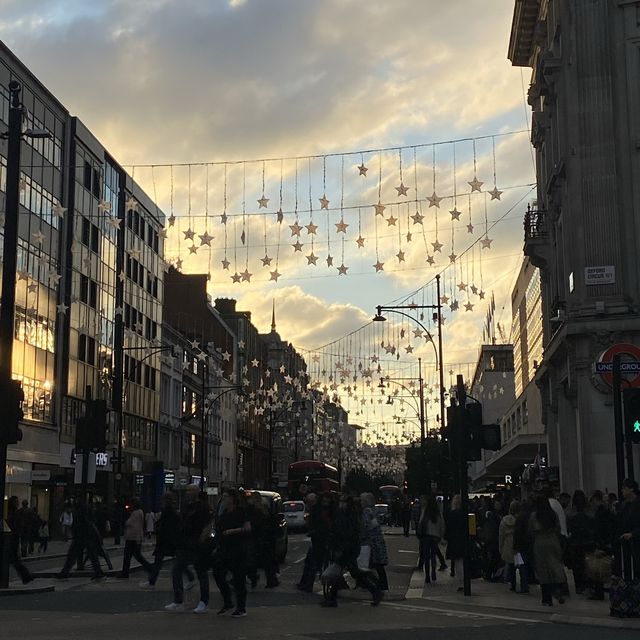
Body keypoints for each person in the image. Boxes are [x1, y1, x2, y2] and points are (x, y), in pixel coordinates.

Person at [322, 494, 382, 608]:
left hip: (348, 549)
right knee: (353, 573)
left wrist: (340, 548)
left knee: (342, 572)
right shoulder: (344, 515)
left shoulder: (349, 516)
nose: (341, 504)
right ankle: (375, 591)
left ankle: (332, 599)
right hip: (348, 548)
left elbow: (347, 534)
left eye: (343, 502)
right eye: (341, 501)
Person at [165, 487, 211, 613]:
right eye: (187, 491)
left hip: (197, 544)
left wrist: (202, 539)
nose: (188, 493)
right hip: (185, 544)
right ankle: (178, 601)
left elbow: (207, 524)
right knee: (177, 569)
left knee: (201, 572)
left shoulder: (202, 507)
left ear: (196, 493)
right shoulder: (186, 506)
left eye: (191, 491)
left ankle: (203, 601)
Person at [141, 493, 194, 589]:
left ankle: (152, 582)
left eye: (163, 500)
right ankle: (191, 577)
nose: (162, 502)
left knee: (161, 561)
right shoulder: (171, 511)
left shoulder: (168, 511)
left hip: (167, 541)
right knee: (175, 561)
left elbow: (165, 525)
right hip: (170, 540)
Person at [213, 488, 252, 617]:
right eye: (223, 496)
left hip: (238, 549)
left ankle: (241, 607)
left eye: (226, 496)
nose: (223, 498)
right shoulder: (224, 512)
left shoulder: (241, 512)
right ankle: (228, 601)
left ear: (233, 498)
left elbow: (247, 528)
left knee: (239, 579)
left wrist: (232, 531)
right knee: (218, 573)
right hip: (224, 548)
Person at [530, 495, 566, 606]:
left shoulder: (535, 516)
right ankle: (558, 587)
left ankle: (546, 599)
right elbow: (558, 527)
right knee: (555, 565)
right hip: (553, 540)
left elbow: (530, 530)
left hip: (540, 542)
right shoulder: (552, 514)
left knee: (543, 570)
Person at [57, 501, 105, 580]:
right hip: (87, 537)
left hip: (81, 537)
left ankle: (64, 572)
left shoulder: (78, 515)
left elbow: (77, 526)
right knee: (92, 556)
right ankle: (98, 572)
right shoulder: (87, 516)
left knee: (72, 556)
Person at [297, 492, 333, 592]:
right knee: (312, 562)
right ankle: (305, 583)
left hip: (323, 540)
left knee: (314, 564)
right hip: (318, 540)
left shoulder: (321, 511)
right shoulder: (318, 510)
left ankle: (307, 584)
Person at [566, 490, 595, 594]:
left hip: (575, 542)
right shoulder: (590, 512)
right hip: (588, 542)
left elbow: (568, 527)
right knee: (588, 565)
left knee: (577, 566)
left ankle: (579, 586)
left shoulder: (570, 513)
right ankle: (589, 585)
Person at [588, 490, 615, 600]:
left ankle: (599, 592)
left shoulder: (600, 513)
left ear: (595, 500)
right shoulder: (607, 511)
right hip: (607, 542)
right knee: (604, 567)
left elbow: (599, 529)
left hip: (602, 543)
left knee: (598, 568)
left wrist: (599, 544)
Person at [118, 499, 152, 579]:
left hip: (132, 538)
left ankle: (125, 573)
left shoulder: (136, 513)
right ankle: (149, 568)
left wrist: (126, 522)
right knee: (134, 556)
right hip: (134, 537)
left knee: (130, 556)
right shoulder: (139, 512)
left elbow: (130, 523)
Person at [361, 493, 389, 590]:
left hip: (371, 542)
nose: (361, 502)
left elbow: (366, 527)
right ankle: (382, 585)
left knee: (366, 565)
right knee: (377, 566)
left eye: (362, 500)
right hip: (377, 541)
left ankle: (369, 585)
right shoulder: (375, 510)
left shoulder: (366, 511)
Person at [614, 478, 640, 579]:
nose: (622, 490)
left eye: (624, 488)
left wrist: (633, 534)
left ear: (631, 489)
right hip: (627, 542)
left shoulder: (637, 504)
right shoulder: (624, 505)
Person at [5, 497, 34, 584]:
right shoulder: (16, 513)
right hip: (15, 536)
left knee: (14, 559)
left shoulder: (14, 513)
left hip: (13, 537)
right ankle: (26, 576)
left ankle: (26, 576)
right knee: (15, 559)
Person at [417, 495, 445, 584]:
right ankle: (433, 573)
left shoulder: (425, 511)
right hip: (435, 536)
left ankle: (427, 576)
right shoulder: (437, 513)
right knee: (433, 556)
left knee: (426, 557)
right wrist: (441, 535)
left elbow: (421, 522)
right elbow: (442, 524)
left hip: (426, 536)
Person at [444, 494, 466, 589]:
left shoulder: (451, 514)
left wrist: (446, 538)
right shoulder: (465, 513)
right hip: (463, 539)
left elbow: (448, 527)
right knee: (463, 561)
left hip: (454, 540)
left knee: (458, 562)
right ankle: (464, 580)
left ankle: (461, 581)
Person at [512, 498, 533, 594]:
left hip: (521, 545)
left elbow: (517, 533)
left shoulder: (520, 518)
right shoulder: (532, 516)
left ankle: (525, 586)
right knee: (532, 564)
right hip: (531, 544)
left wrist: (515, 546)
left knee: (522, 566)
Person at [499, 500, 519, 591]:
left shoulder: (504, 521)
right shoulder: (519, 519)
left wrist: (501, 547)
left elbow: (501, 535)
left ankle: (512, 582)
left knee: (510, 564)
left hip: (507, 542)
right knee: (521, 564)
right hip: (517, 542)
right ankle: (524, 583)